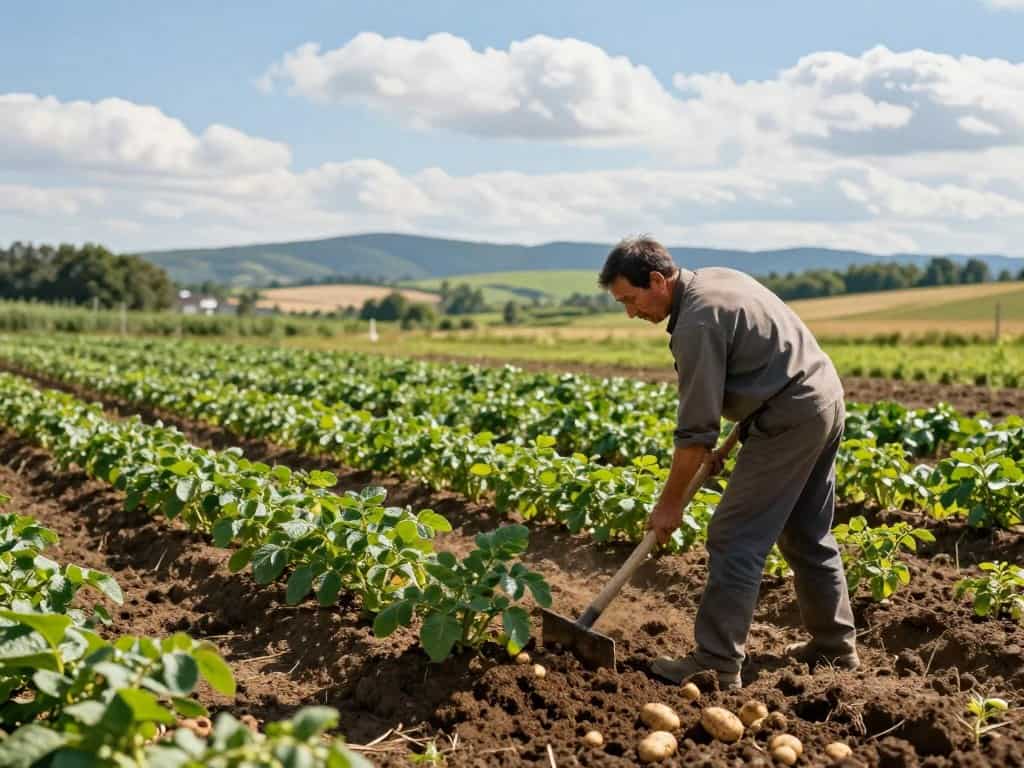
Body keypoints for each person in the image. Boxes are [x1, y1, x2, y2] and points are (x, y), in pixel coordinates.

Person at [598, 236, 859, 689]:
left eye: (631, 299)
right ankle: (834, 648)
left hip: (790, 415)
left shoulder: (695, 323)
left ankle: (716, 662)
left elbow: (694, 434)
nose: (630, 312)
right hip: (822, 399)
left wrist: (669, 505)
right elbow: (761, 362)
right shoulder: (717, 280)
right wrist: (732, 439)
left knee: (734, 535)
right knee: (806, 532)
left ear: (658, 280)